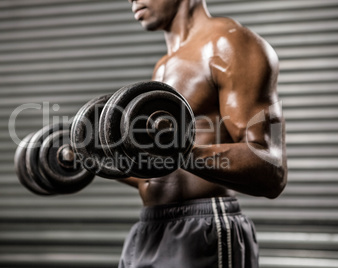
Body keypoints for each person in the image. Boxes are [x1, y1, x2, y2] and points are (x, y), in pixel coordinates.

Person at [117, 0, 287, 267]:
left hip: (205, 229)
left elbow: (270, 167)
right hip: (150, 228)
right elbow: (162, 173)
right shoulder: (164, 65)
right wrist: (100, 159)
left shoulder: (227, 43)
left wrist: (177, 152)